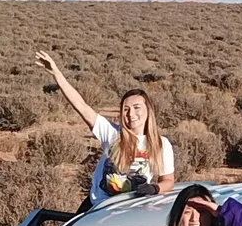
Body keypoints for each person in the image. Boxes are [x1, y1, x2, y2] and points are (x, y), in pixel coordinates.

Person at [36, 50, 175, 205]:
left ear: (148, 110)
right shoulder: (112, 134)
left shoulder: (161, 144)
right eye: (126, 109)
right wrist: (56, 73)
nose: (131, 114)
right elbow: (81, 106)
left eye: (137, 108)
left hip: (132, 208)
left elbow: (168, 180)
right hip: (99, 206)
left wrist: (154, 188)